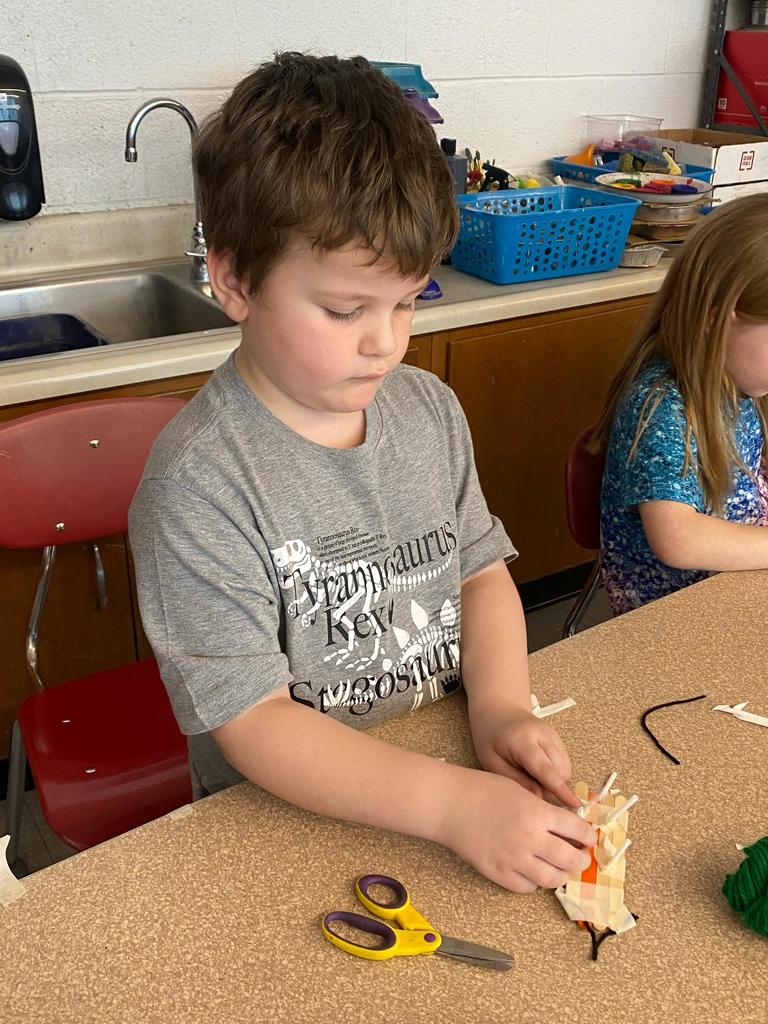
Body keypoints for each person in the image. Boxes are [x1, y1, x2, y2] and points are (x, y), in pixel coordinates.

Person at [129, 52, 594, 894]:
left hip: (437, 770)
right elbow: (254, 723)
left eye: (410, 300)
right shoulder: (198, 486)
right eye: (346, 310)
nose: (386, 341)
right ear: (233, 278)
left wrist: (500, 708)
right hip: (281, 827)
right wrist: (454, 807)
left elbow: (481, 575)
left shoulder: (427, 410)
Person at [593, 194, 768, 615]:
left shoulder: (739, 382)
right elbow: (678, 538)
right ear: (718, 316)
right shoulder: (661, 407)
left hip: (736, 585)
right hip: (674, 618)